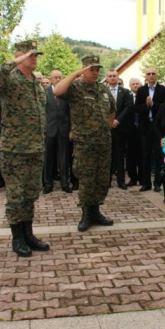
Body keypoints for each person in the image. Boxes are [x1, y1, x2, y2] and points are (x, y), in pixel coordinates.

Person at [0, 40, 50, 257]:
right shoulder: (10, 80)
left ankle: (28, 234)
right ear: (19, 56)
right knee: (16, 195)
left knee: (31, 193)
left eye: (36, 54)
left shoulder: (35, 82)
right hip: (15, 149)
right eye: (30, 54)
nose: (34, 57)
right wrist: (15, 61)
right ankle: (17, 238)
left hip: (35, 148)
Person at [54, 55, 116, 232]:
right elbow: (57, 91)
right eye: (92, 69)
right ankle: (86, 215)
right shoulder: (76, 88)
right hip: (85, 143)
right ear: (84, 70)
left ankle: (96, 212)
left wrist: (107, 126)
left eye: (98, 69)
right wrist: (76, 74)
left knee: (102, 179)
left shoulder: (103, 89)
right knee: (87, 179)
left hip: (104, 142)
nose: (96, 73)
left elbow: (112, 110)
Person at [135, 68, 165, 192]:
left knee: (159, 156)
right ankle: (146, 183)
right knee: (145, 156)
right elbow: (136, 108)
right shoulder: (141, 90)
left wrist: (153, 105)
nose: (151, 75)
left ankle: (158, 183)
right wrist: (146, 105)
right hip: (145, 127)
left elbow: (164, 107)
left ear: (157, 75)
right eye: (149, 74)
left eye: (153, 73)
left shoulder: (163, 89)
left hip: (158, 127)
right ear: (145, 76)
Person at [44, 70, 72, 194]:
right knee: (48, 158)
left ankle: (65, 183)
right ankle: (48, 184)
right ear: (50, 79)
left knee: (64, 158)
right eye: (56, 77)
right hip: (49, 129)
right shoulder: (44, 92)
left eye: (60, 77)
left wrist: (71, 129)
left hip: (64, 129)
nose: (58, 79)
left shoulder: (67, 92)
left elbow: (71, 112)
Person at [107, 68, 133, 190]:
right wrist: (107, 122)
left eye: (114, 76)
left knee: (119, 155)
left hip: (120, 128)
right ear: (106, 78)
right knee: (107, 155)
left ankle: (121, 181)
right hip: (106, 128)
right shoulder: (102, 91)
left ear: (117, 78)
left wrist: (117, 120)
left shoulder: (125, 92)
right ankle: (106, 181)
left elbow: (128, 107)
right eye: (110, 76)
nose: (112, 78)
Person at [126, 77, 143, 186]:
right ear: (130, 86)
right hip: (130, 129)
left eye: (138, 83)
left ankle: (142, 178)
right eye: (134, 84)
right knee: (131, 155)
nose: (136, 85)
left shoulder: (144, 97)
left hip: (142, 129)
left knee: (142, 155)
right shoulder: (127, 96)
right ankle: (133, 178)